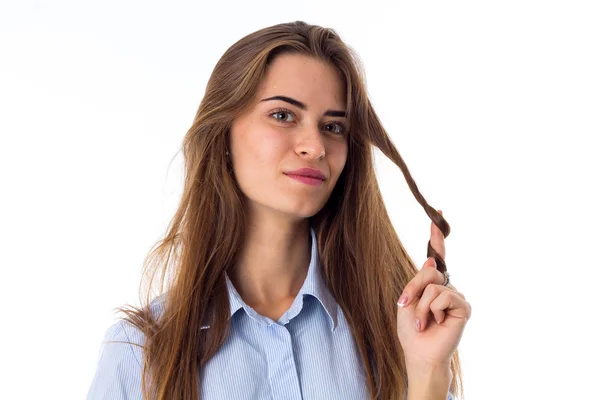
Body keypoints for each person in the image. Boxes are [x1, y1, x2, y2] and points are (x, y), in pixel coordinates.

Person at [87, 21, 471, 400]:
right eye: (283, 115)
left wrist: (428, 374)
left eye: (334, 126)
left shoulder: (398, 333)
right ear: (223, 131)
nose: (314, 146)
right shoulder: (139, 353)